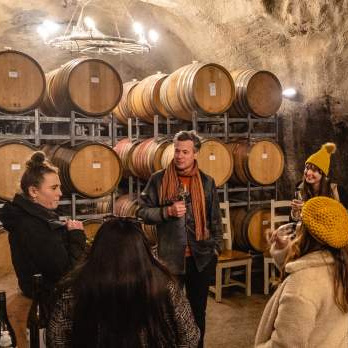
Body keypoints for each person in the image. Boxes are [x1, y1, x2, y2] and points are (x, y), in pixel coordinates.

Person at [47, 217, 200, 348]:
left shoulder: (76, 288)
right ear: (142, 251)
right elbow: (190, 336)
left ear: (98, 250)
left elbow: (56, 339)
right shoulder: (163, 285)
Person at [137, 130, 222, 348]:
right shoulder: (158, 180)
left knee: (197, 312)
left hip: (200, 258)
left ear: (195, 154)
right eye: (176, 151)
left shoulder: (206, 182)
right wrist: (167, 212)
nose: (179, 156)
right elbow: (142, 212)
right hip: (170, 260)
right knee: (168, 313)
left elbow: (215, 220)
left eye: (185, 151)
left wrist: (215, 250)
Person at [255, 196, 348, 347]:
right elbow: (305, 263)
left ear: (307, 233)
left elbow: (285, 345)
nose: (297, 227)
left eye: (301, 223)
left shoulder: (301, 285)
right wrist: (283, 248)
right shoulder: (341, 267)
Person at [0, 152, 85, 301]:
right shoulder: (35, 226)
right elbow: (66, 275)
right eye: (54, 188)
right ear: (33, 191)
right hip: (49, 297)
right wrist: (76, 235)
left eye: (59, 187)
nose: (60, 193)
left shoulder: (29, 216)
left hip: (36, 290)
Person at [291, 142, 348, 222]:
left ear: (323, 174)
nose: (308, 172)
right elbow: (294, 222)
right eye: (307, 168)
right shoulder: (300, 188)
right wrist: (294, 212)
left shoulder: (337, 191)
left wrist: (307, 208)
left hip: (330, 232)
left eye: (314, 170)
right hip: (306, 232)